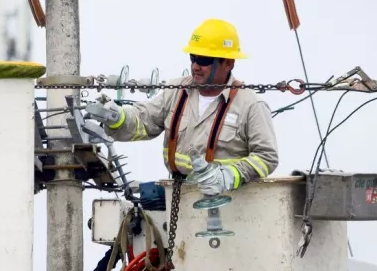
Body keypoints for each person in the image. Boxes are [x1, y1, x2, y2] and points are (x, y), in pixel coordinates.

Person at [86, 18, 279, 196]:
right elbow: (144, 121)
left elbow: (266, 156)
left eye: (204, 60)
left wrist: (229, 176)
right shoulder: (177, 92)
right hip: (180, 198)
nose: (195, 66)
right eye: (193, 57)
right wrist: (116, 117)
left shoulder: (250, 105)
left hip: (229, 203)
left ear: (229, 63)